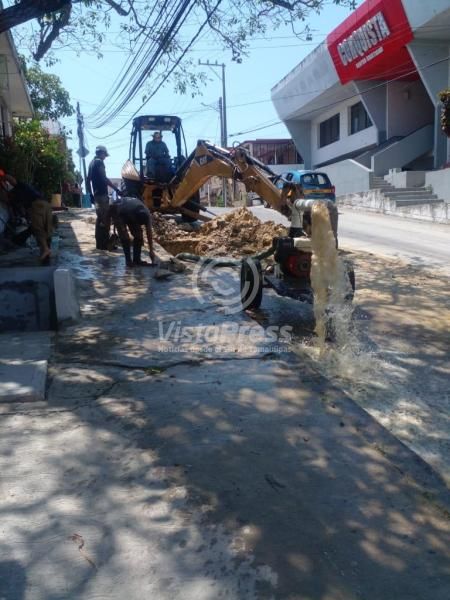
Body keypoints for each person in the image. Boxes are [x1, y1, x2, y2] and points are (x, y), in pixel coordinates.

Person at [0, 170, 53, 262]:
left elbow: (10, 179)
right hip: (45, 205)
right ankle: (45, 253)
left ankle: (45, 250)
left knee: (38, 229)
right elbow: (19, 212)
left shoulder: (19, 187)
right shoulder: (14, 200)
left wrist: (2, 178)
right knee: (45, 229)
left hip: (38, 205)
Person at [87, 145, 122, 250]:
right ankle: (106, 244)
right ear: (101, 153)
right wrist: (116, 189)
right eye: (104, 155)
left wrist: (90, 194)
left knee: (100, 219)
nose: (105, 157)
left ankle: (100, 245)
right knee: (105, 219)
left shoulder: (91, 163)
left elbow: (88, 180)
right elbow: (104, 178)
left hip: (97, 195)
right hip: (102, 195)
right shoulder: (99, 162)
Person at [110, 196, 156, 267]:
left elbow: (149, 233)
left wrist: (151, 250)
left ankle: (137, 260)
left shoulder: (147, 215)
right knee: (124, 236)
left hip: (131, 211)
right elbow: (122, 227)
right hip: (117, 209)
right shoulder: (127, 212)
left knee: (139, 235)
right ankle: (128, 261)